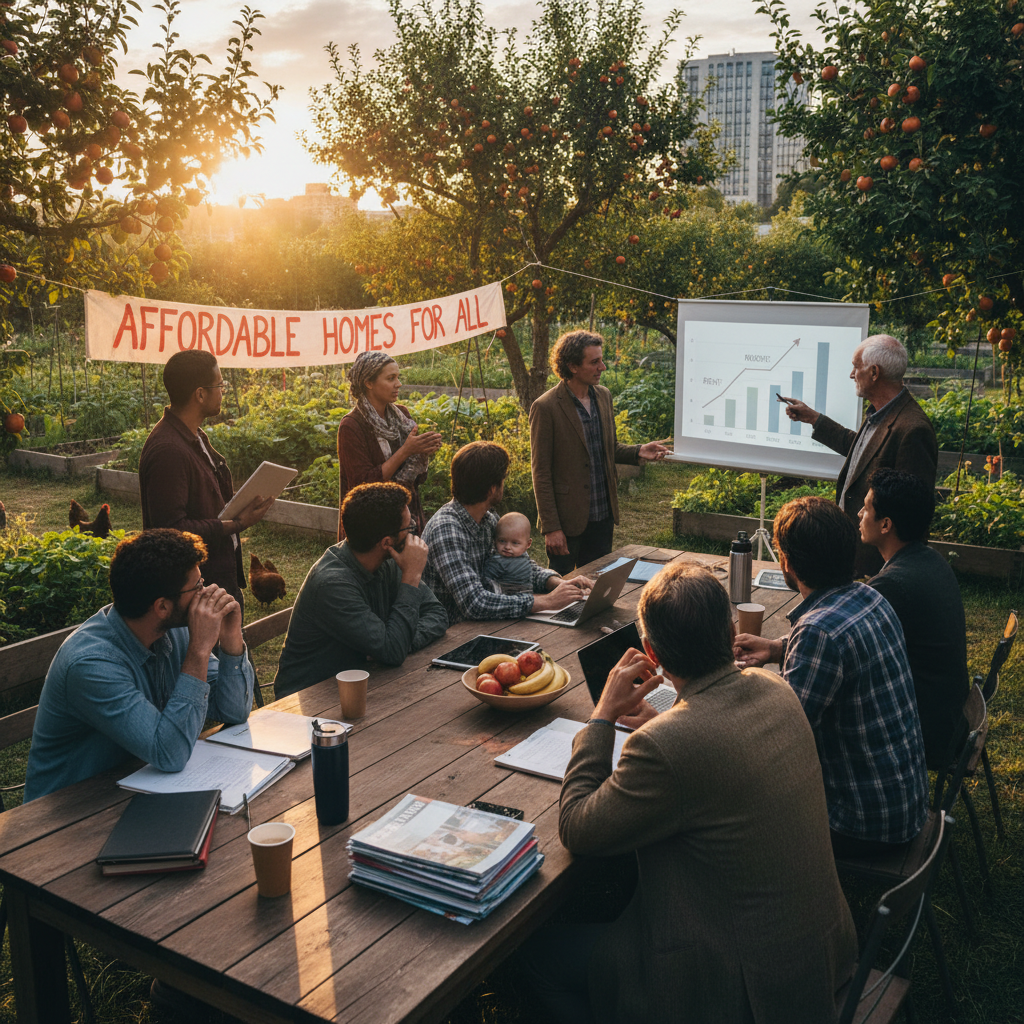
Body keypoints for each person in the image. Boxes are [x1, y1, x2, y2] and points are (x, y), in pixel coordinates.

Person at [520, 562, 856, 1024]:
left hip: (742, 993)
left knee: (540, 959)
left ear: (651, 653)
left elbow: (577, 827)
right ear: (732, 627)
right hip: (815, 958)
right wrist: (668, 720)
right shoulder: (774, 685)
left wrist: (601, 717)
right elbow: (717, 733)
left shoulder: (666, 745)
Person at [734, 496, 929, 858]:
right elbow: (842, 645)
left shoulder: (818, 633)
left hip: (861, 825)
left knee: (725, 801)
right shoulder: (870, 597)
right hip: (903, 804)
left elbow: (776, 743)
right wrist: (778, 649)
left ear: (786, 562)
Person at [25, 529, 254, 802]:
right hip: (66, 817)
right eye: (197, 586)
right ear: (162, 607)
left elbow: (234, 710)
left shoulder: (173, 630)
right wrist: (200, 649)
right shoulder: (91, 665)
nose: (205, 593)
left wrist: (230, 637)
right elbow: (170, 753)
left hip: (137, 791)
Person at [273, 482, 448, 699]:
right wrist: (411, 577)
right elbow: (393, 651)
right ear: (386, 542)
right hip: (313, 700)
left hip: (366, 683)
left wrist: (400, 639)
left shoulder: (388, 561)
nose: (415, 532)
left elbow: (437, 614)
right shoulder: (332, 584)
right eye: (410, 527)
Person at [783, 333, 937, 576]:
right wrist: (813, 418)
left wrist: (888, 574)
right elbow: (862, 451)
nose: (852, 374)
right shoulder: (881, 413)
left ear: (874, 373)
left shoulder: (913, 430)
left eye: (856, 367)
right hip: (858, 556)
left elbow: (913, 514)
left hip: (877, 567)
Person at [139, 350, 274, 611]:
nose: (223, 391)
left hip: (215, 581)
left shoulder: (193, 436)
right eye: (220, 385)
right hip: (195, 593)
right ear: (200, 394)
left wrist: (239, 514)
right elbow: (171, 529)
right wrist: (232, 524)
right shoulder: (168, 450)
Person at [529, 330, 670, 574]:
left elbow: (609, 448)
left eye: (601, 360)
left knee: (598, 584)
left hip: (602, 514)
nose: (602, 367)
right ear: (572, 366)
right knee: (563, 587)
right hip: (567, 520)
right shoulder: (546, 407)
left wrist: (639, 451)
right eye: (594, 362)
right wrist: (551, 528)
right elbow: (540, 473)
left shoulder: (603, 396)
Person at [859, 467, 969, 768]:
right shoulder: (929, 559)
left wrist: (780, 648)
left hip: (924, 732)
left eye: (866, 508)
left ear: (886, 524)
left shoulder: (894, 584)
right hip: (950, 718)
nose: (859, 514)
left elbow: (847, 647)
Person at [422, 440, 592, 623]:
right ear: (492, 489)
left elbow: (517, 565)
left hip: (487, 622)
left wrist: (559, 584)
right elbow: (474, 603)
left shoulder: (488, 518)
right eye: (503, 478)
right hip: (452, 632)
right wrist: (548, 601)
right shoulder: (446, 529)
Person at [337, 351, 443, 540]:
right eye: (391, 378)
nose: (398, 384)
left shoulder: (401, 416)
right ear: (369, 383)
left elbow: (416, 478)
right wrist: (406, 451)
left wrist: (422, 451)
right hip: (371, 523)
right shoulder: (351, 426)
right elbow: (362, 486)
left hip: (405, 513)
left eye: (398, 377)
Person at [482, 511, 534, 594]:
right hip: (505, 598)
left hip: (527, 595)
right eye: (502, 541)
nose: (507, 547)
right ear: (495, 541)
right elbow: (486, 582)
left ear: (528, 544)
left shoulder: (525, 558)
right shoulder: (496, 561)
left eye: (515, 543)